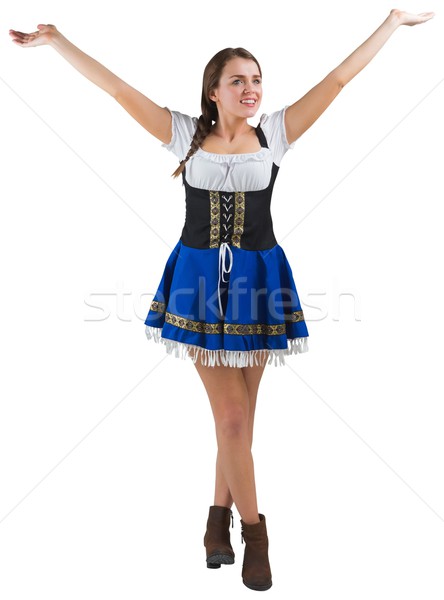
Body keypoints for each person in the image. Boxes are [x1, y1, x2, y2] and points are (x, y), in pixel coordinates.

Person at [9, 9, 434, 591]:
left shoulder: (275, 134)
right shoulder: (184, 135)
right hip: (197, 286)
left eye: (256, 79)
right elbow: (115, 87)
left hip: (259, 282)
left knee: (242, 422)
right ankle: (256, 533)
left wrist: (391, 22)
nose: (251, 89)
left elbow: (338, 79)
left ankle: (215, 525)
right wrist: (58, 42)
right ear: (214, 90)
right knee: (232, 418)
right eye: (238, 80)